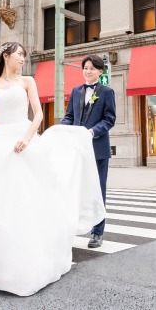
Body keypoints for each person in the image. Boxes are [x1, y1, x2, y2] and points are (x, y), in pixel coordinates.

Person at [0, 42, 105, 297]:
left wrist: (26, 137)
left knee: (25, 199)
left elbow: (38, 115)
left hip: (23, 139)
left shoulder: (28, 81)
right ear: (6, 55)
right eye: (19, 54)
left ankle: (24, 262)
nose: (23, 58)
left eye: (24, 54)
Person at [61, 55, 116, 248]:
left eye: (92, 68)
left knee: (98, 191)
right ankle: (73, 228)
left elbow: (110, 120)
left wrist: (92, 132)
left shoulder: (107, 92)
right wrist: (62, 129)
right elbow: (69, 116)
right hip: (78, 150)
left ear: (100, 71)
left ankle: (97, 233)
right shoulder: (76, 91)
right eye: (85, 68)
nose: (88, 71)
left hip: (98, 149)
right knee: (75, 189)